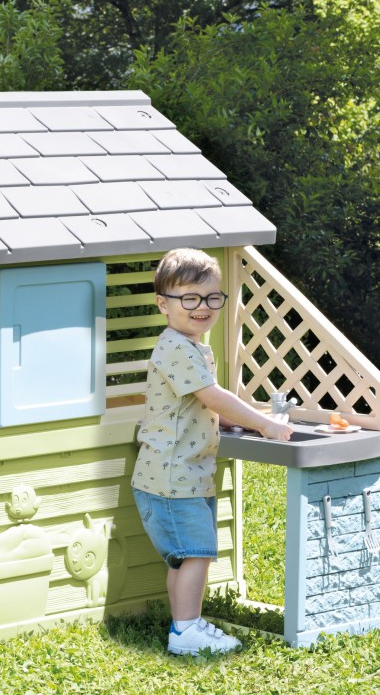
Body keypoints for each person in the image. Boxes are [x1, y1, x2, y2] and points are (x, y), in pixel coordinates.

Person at [132, 248, 292, 656]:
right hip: (173, 477)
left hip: (180, 475)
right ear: (163, 304)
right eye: (189, 298)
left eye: (211, 297)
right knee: (197, 555)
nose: (202, 306)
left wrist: (236, 420)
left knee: (185, 558)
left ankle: (184, 624)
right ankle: (186, 632)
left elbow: (202, 404)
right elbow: (212, 395)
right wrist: (264, 423)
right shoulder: (175, 348)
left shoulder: (193, 347)